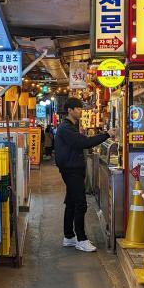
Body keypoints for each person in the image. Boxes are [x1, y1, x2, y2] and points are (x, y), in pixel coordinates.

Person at [55, 97, 115, 252]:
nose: (81, 111)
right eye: (78, 109)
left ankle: (69, 237)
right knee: (80, 204)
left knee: (71, 202)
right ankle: (81, 239)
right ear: (70, 110)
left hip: (72, 168)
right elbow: (83, 143)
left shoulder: (71, 127)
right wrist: (106, 134)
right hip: (71, 169)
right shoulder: (66, 128)